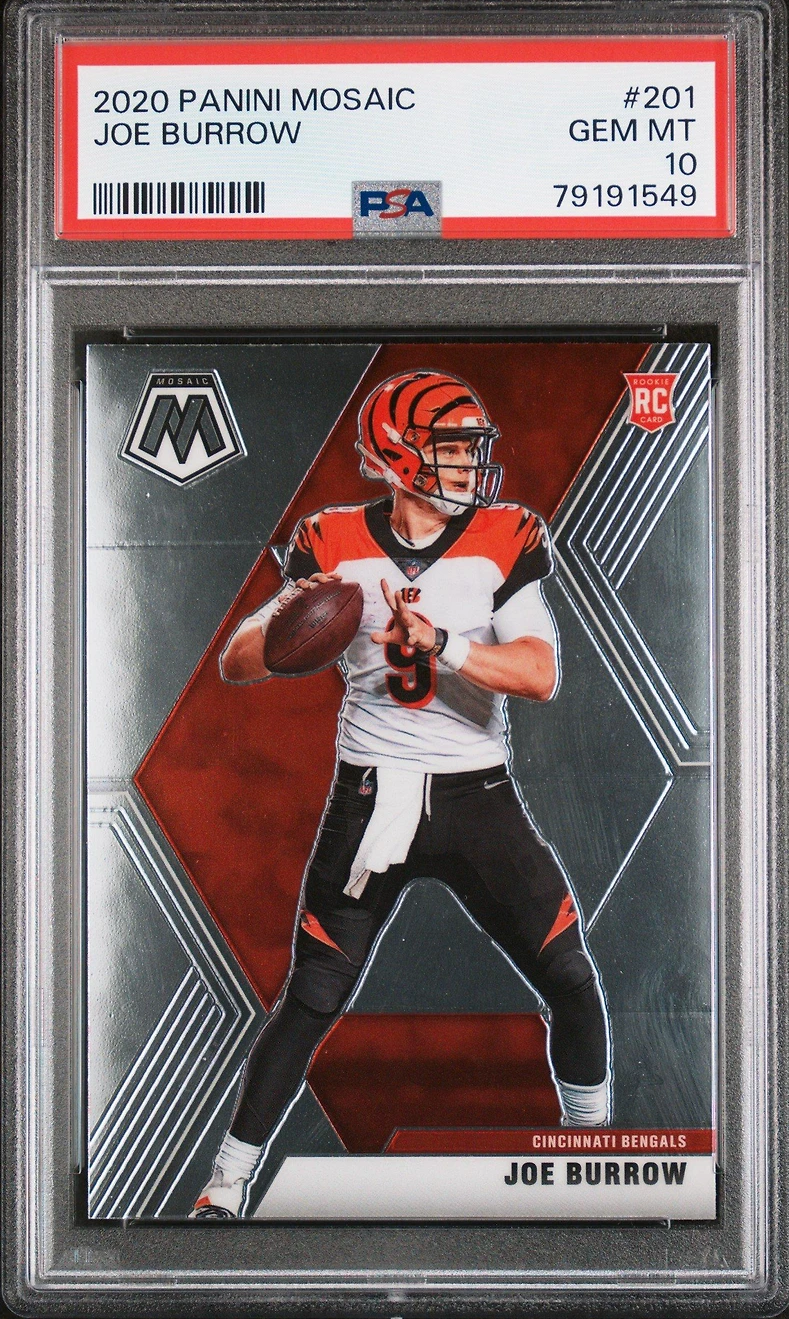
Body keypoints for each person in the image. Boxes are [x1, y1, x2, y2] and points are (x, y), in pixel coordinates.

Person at [191, 370, 611, 1219]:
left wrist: (443, 642)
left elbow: (540, 672)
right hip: (369, 800)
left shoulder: (503, 534)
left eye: (468, 447)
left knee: (570, 974)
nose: (468, 463)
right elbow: (236, 663)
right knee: (313, 995)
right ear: (396, 455)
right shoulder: (331, 538)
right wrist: (291, 622)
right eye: (450, 447)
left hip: (476, 799)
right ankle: (226, 1183)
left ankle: (595, 1161)